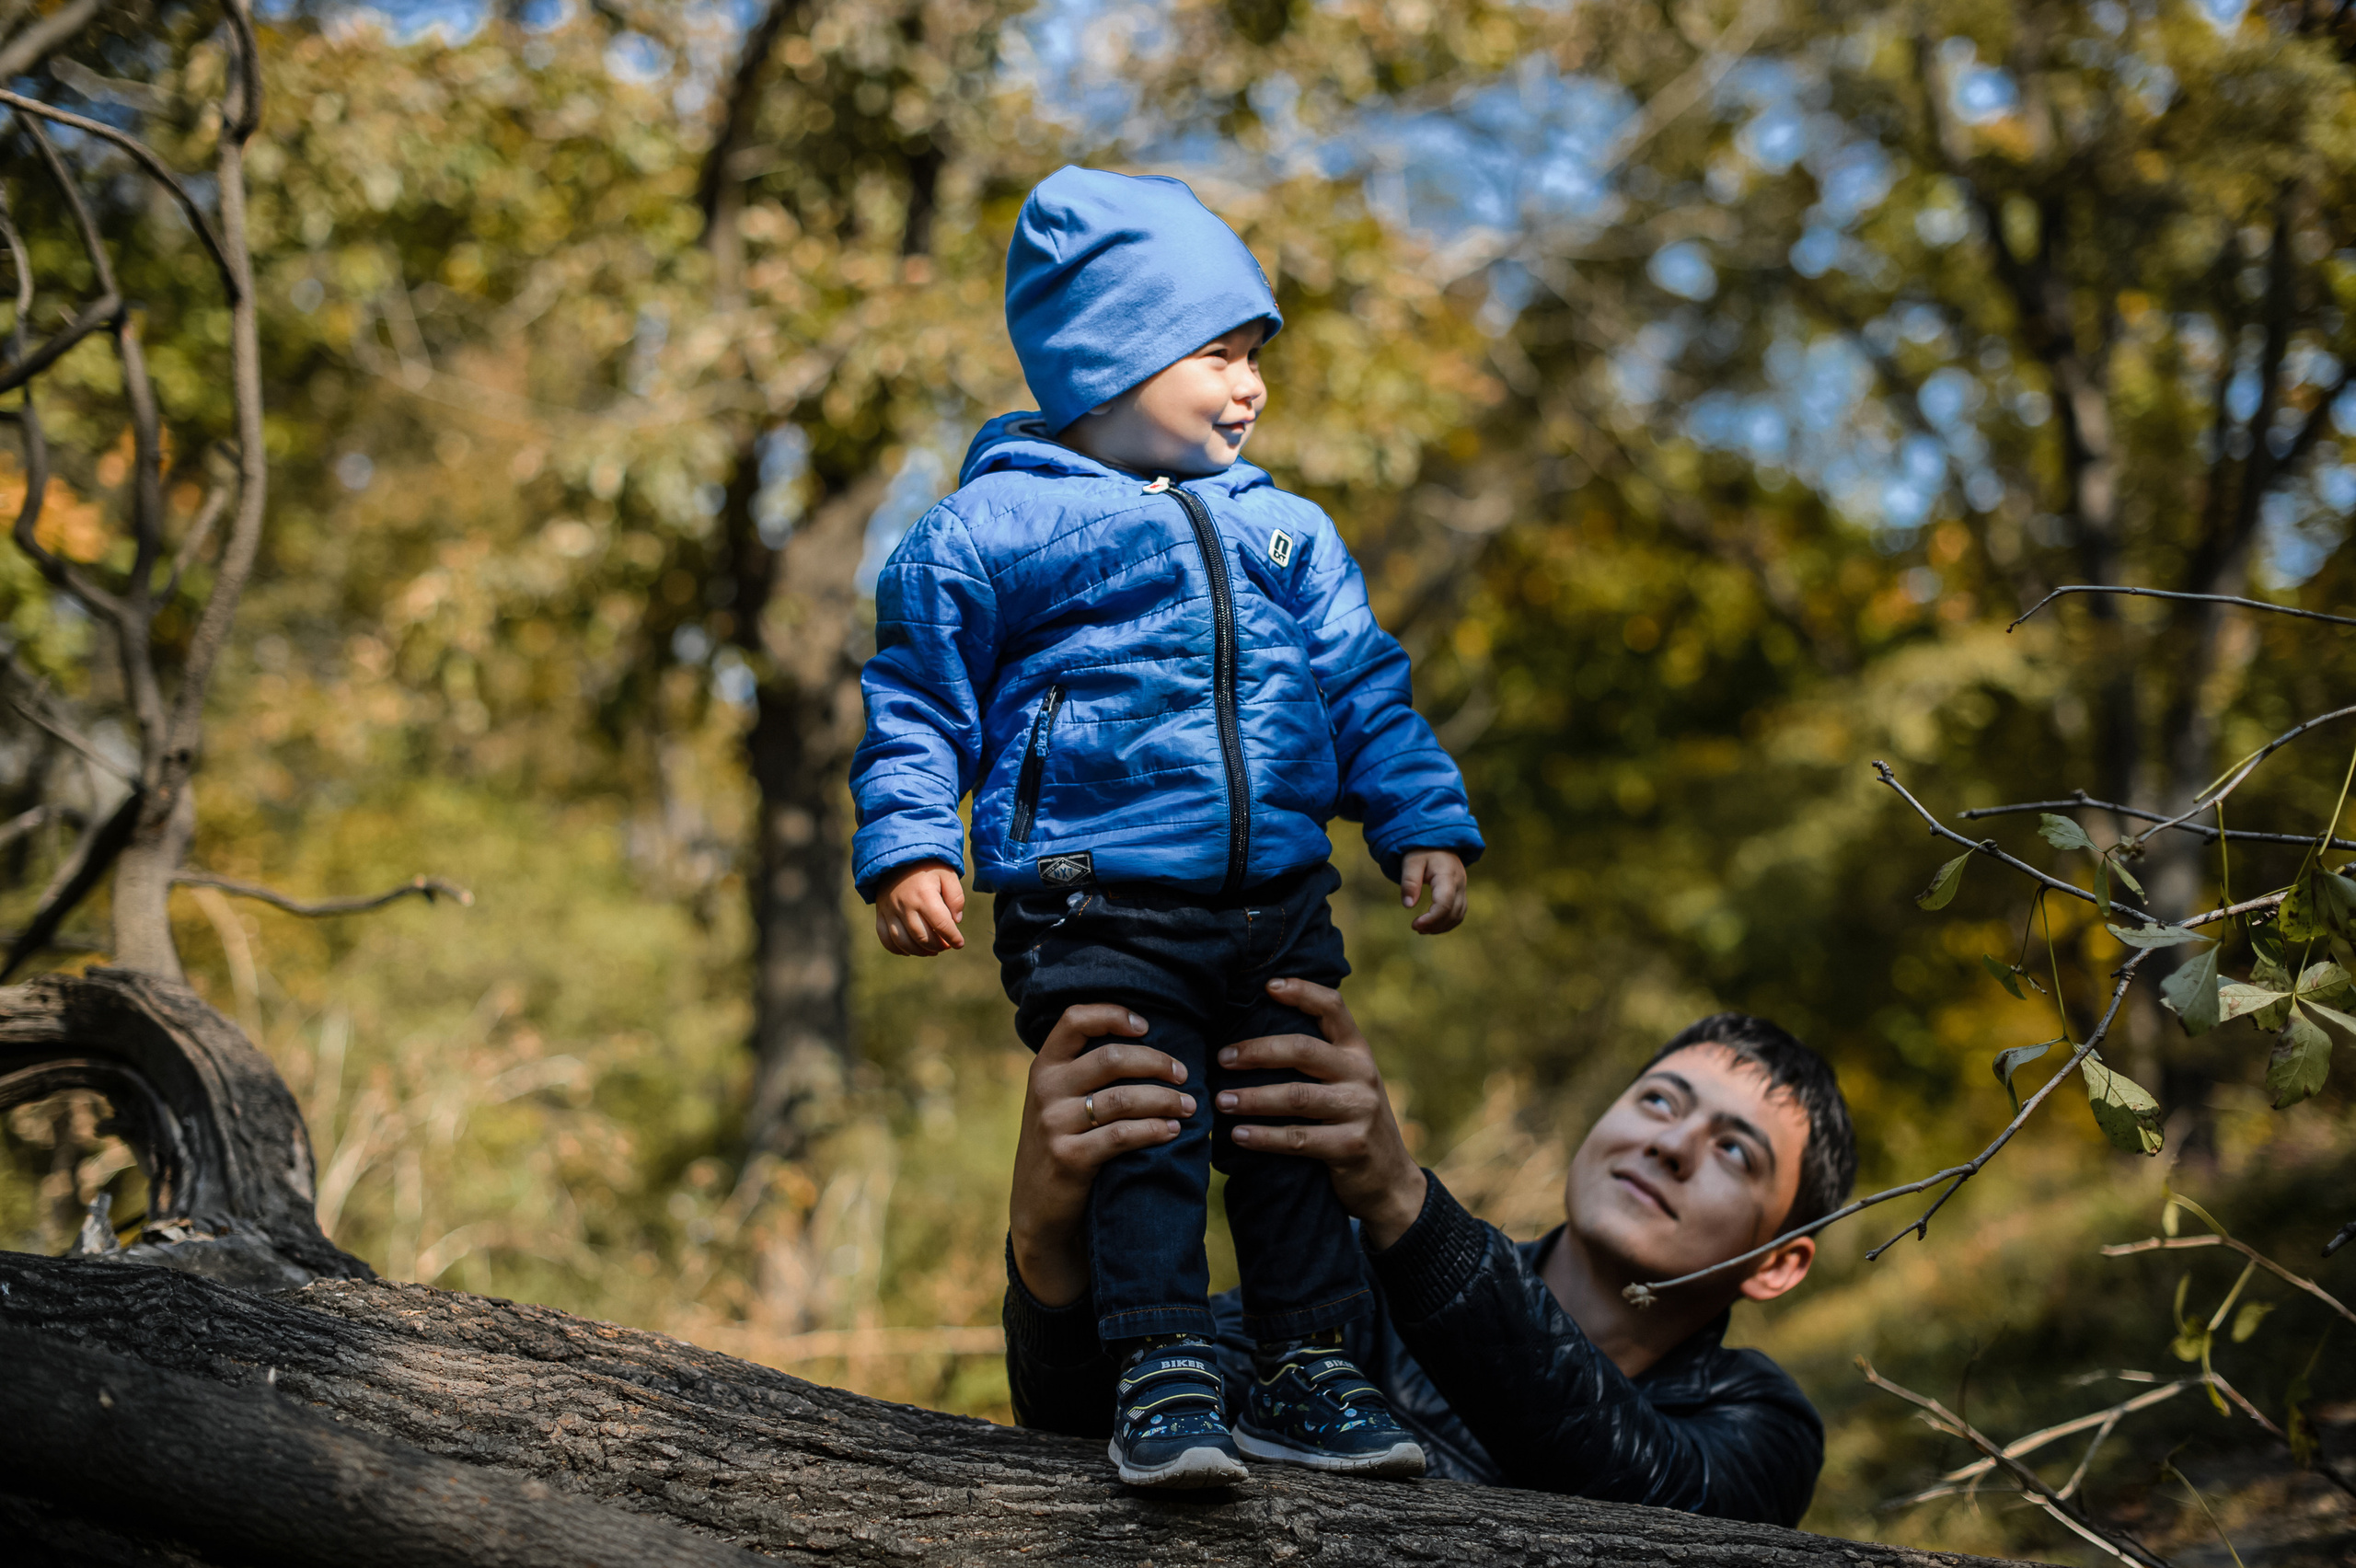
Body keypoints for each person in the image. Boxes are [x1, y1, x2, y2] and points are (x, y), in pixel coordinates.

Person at [849, 166, 1485, 1489]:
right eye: (1215, 353)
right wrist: (913, 843)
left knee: (1288, 1120)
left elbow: (1363, 682)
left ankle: (1309, 1367)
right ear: (1106, 358)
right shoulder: (987, 531)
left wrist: (1421, 817)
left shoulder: (1289, 532)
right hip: (1094, 898)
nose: (1250, 385)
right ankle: (1162, 1366)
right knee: (1145, 1120)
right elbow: (916, 700)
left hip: (1275, 894)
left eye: (1257, 356)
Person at [1001, 981, 1857, 1527]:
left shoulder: (1761, 1423)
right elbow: (1103, 1438)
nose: (1673, 1146)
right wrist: (1045, 1245)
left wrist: (1402, 1201)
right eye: (1661, 1100)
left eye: (1735, 1151)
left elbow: (1649, 1496)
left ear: (1778, 1264)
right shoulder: (1359, 1288)